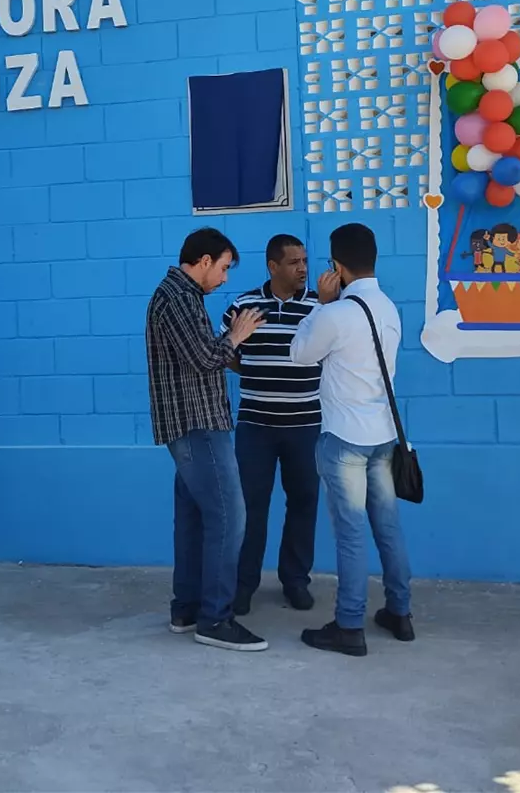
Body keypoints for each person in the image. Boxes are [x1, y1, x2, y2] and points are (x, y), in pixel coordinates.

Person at [289, 223, 413, 657]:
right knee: (388, 526)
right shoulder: (390, 308)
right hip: (384, 435)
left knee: (350, 534)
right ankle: (400, 613)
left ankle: (349, 625)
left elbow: (299, 354)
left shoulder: (335, 312)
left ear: (337, 266)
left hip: (344, 439)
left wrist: (320, 306)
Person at [145, 227, 267, 652]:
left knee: (195, 520)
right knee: (230, 519)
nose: (225, 278)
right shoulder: (177, 298)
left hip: (194, 426)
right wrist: (237, 335)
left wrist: (229, 339)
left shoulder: (182, 297)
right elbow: (203, 359)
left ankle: (188, 608)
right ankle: (215, 619)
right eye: (224, 267)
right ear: (203, 261)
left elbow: (201, 356)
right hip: (197, 427)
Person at [222, 234, 322, 615]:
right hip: (256, 427)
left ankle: (295, 581)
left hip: (305, 426)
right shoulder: (244, 304)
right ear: (272, 266)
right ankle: (243, 585)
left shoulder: (318, 306)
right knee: (250, 507)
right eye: (294, 262)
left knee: (303, 503)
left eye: (304, 261)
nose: (302, 269)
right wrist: (255, 371)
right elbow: (228, 350)